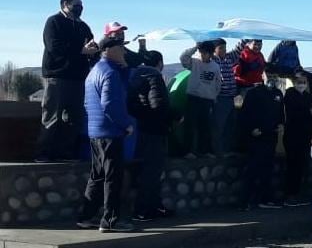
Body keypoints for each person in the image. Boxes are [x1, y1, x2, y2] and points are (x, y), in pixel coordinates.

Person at [77, 37, 133, 232]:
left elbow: (89, 103)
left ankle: (86, 216)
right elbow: (110, 104)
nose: (124, 52)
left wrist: (125, 68)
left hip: (94, 131)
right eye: (121, 48)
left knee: (98, 175)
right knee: (113, 177)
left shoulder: (94, 73)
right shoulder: (110, 73)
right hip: (110, 132)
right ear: (109, 50)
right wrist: (126, 125)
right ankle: (110, 220)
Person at [36, 0, 97, 163]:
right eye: (76, 4)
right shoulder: (53, 22)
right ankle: (43, 153)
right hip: (57, 76)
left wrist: (93, 49)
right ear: (65, 4)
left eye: (81, 5)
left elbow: (90, 45)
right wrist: (80, 49)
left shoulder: (83, 26)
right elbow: (54, 46)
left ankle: (65, 152)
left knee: (74, 117)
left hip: (78, 78)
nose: (80, 8)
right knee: (52, 115)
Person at [127, 50, 180, 221]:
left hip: (141, 129)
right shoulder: (154, 76)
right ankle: (143, 209)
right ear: (160, 63)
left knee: (148, 171)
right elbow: (158, 105)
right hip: (155, 129)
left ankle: (153, 206)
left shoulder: (135, 75)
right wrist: (174, 115)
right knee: (153, 172)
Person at [239, 73, 285, 209]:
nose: (272, 78)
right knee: (252, 169)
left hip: (271, 136)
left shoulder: (278, 94)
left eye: (275, 76)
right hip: (256, 136)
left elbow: (280, 113)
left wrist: (281, 124)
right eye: (269, 75)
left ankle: (265, 199)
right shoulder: (253, 93)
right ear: (262, 76)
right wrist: (251, 129)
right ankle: (244, 201)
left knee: (267, 169)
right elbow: (245, 114)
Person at [179, 41, 222, 159]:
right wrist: (195, 47)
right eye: (201, 52)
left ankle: (204, 151)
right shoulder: (195, 63)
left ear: (211, 54)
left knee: (205, 126)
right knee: (190, 125)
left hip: (207, 100)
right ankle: (187, 151)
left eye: (205, 53)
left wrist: (214, 96)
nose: (202, 55)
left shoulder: (215, 67)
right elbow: (183, 58)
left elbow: (218, 83)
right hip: (193, 98)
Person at [283, 71, 312, 206]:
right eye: (299, 82)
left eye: (304, 82)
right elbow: (292, 113)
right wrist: (308, 112)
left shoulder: (308, 96)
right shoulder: (290, 94)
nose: (302, 84)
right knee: (293, 166)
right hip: (292, 135)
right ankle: (290, 195)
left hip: (305, 137)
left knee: (302, 166)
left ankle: (298, 193)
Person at [211, 38, 245, 155]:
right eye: (221, 48)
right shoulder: (212, 61)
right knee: (219, 125)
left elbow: (239, 49)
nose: (224, 50)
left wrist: (246, 35)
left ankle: (227, 149)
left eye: (225, 48)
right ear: (214, 50)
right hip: (220, 98)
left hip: (232, 98)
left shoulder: (229, 58)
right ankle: (218, 151)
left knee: (230, 125)